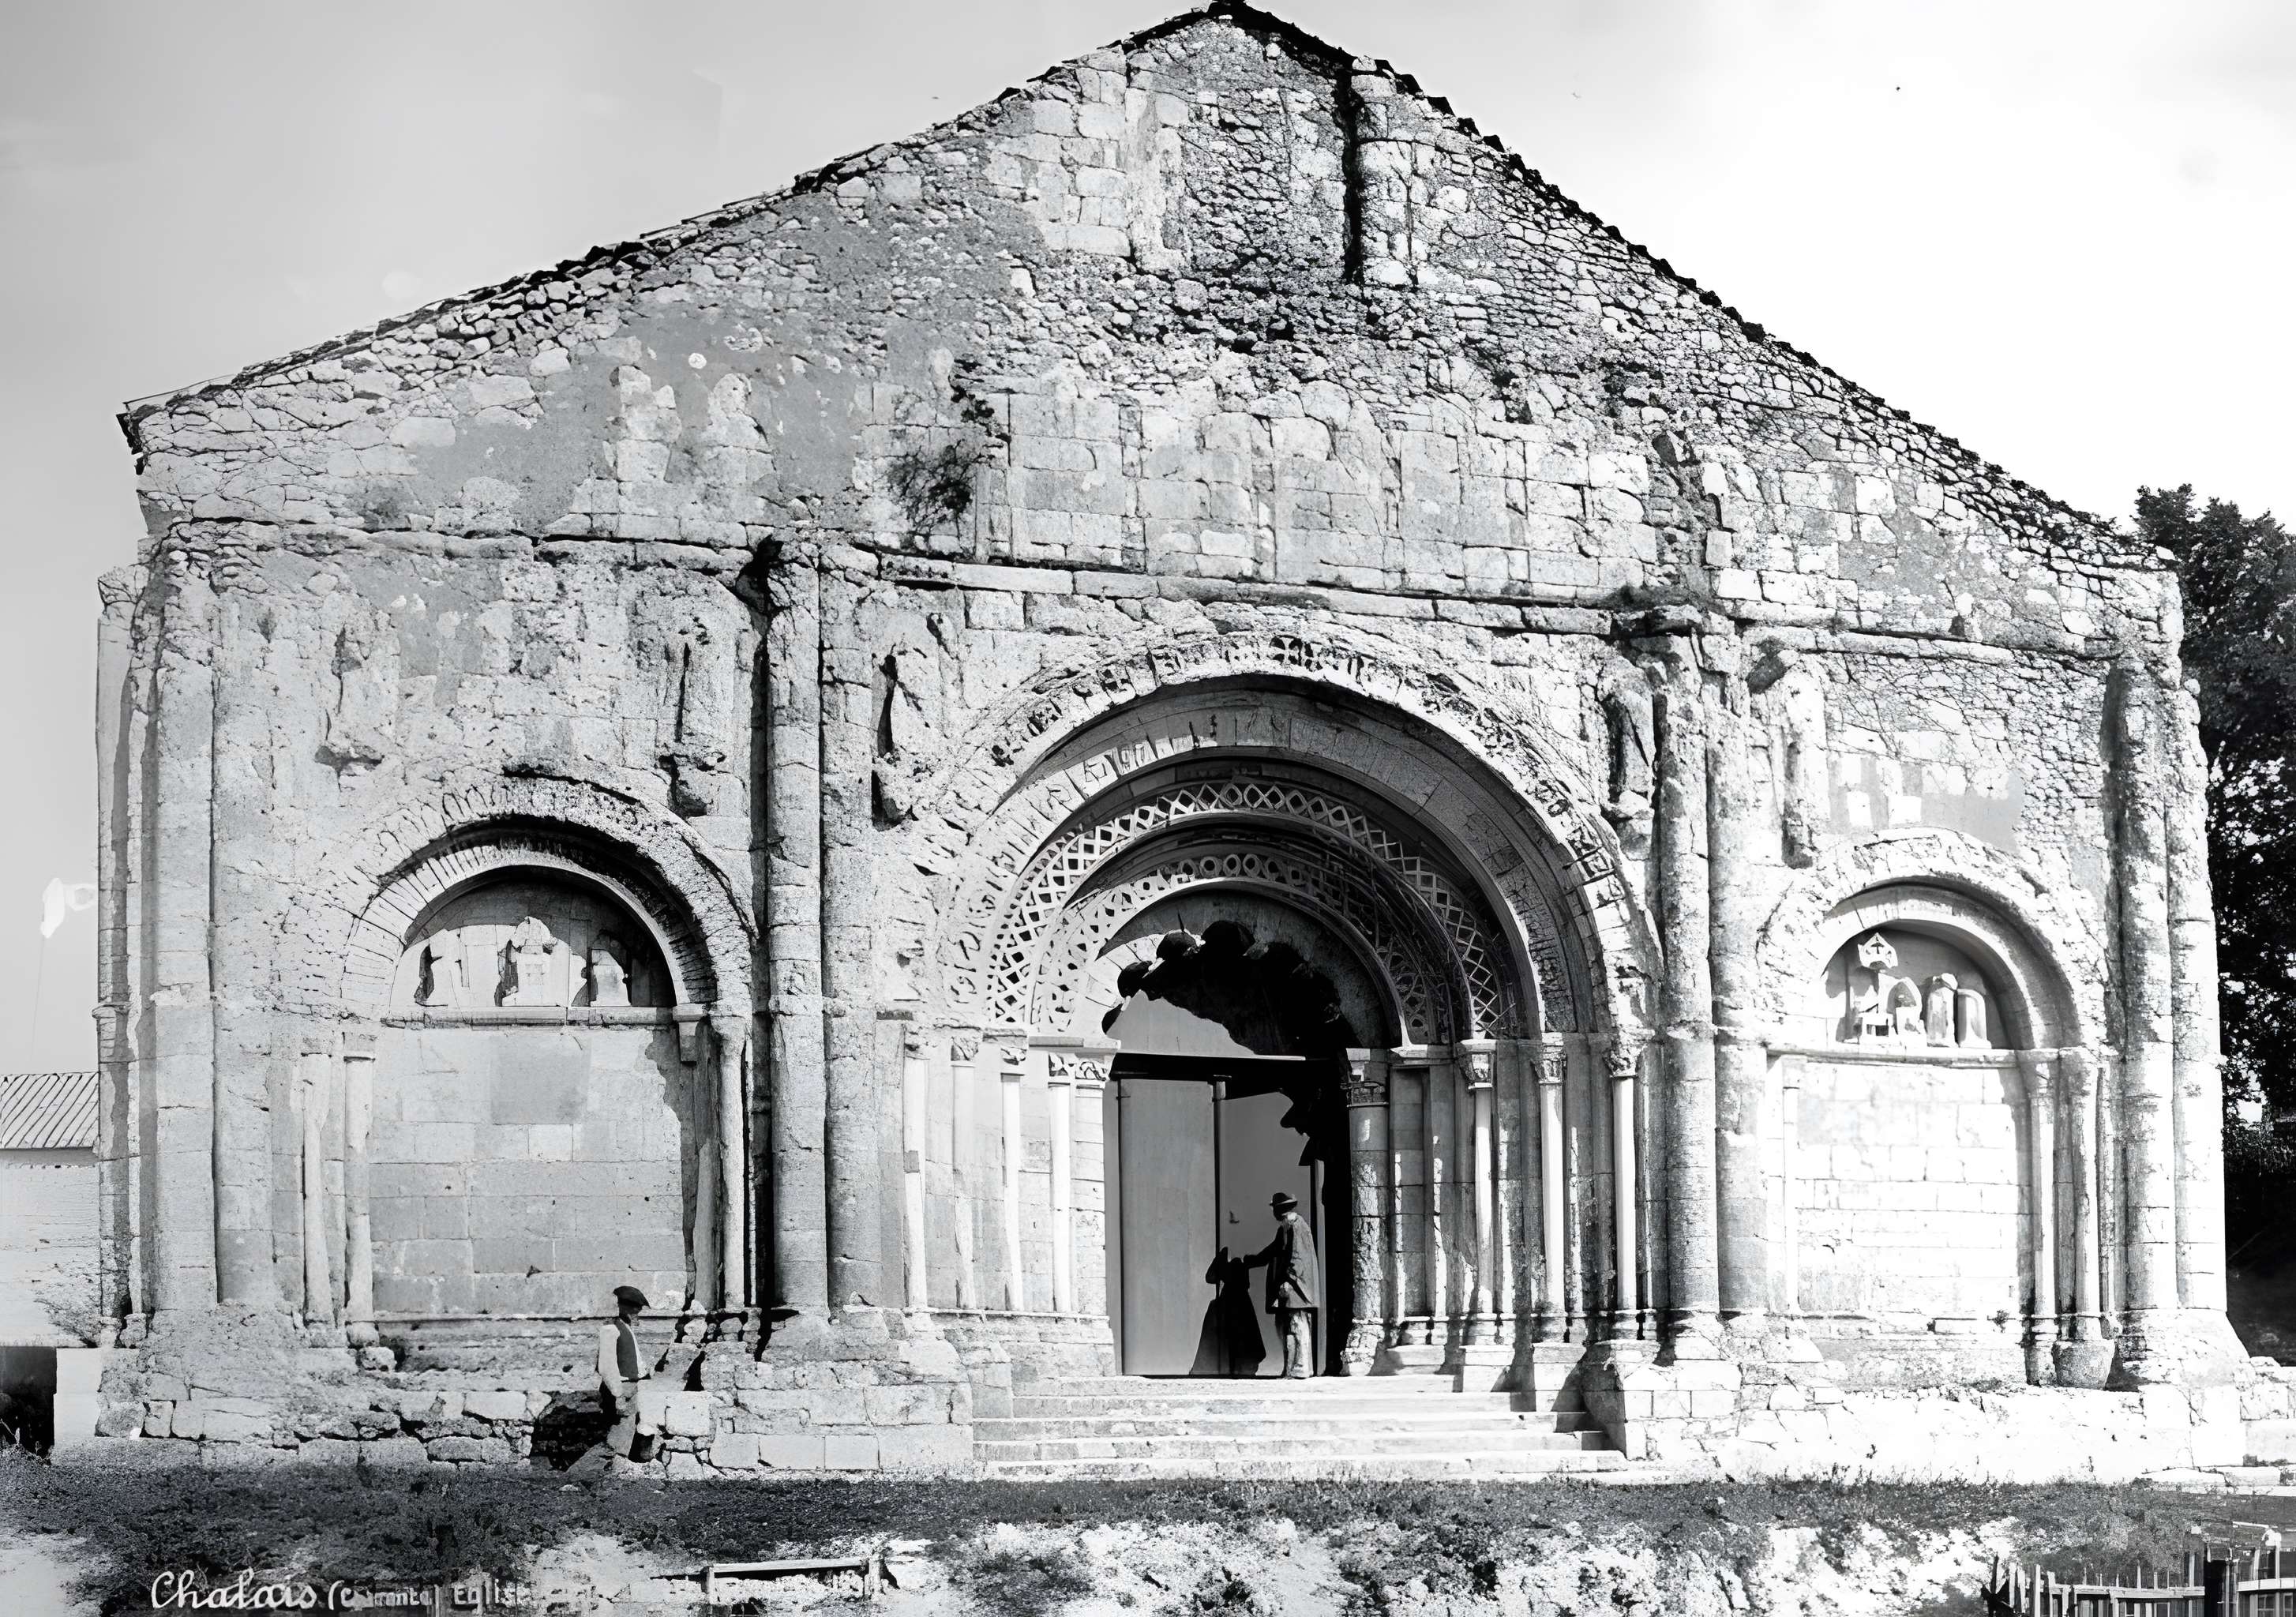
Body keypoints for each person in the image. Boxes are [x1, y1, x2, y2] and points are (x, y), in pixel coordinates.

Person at [1243, 1191, 1319, 1379]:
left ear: (1279, 1209)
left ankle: (1301, 1366)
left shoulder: (1296, 1225)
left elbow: (1298, 1256)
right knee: (1287, 1325)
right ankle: (1290, 1369)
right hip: (1290, 1286)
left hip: (1297, 1286)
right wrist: (1252, 1260)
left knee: (1297, 1323)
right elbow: (1273, 1250)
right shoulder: (1285, 1228)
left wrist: (1289, 1280)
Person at [597, 1285, 666, 1462]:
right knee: (620, 1433)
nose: (637, 1314)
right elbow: (607, 1366)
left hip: (631, 1388)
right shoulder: (610, 1329)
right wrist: (618, 1394)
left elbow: (633, 1358)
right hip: (621, 1388)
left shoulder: (626, 1328)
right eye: (635, 1310)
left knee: (628, 1430)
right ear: (623, 1307)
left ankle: (620, 1467)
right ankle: (612, 1470)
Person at [1190, 1247, 1267, 1378]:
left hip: (1236, 1305)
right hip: (1234, 1305)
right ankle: (1236, 1369)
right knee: (1236, 1339)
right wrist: (1221, 1257)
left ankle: (1238, 1369)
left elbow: (1211, 1277)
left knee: (1239, 1339)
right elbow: (1210, 1277)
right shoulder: (1233, 1261)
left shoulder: (1240, 1261)